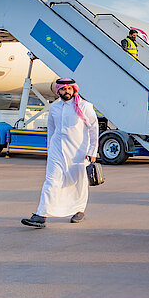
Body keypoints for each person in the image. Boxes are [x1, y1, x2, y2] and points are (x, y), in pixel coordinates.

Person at [21, 78, 99, 227]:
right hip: (57, 150)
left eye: (69, 89)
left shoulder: (85, 106)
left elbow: (93, 129)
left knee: (78, 183)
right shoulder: (54, 107)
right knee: (51, 181)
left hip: (78, 152)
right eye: (63, 89)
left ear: (74, 89)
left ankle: (79, 211)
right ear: (58, 91)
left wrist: (93, 151)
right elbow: (51, 130)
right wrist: (50, 150)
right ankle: (41, 215)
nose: (66, 91)